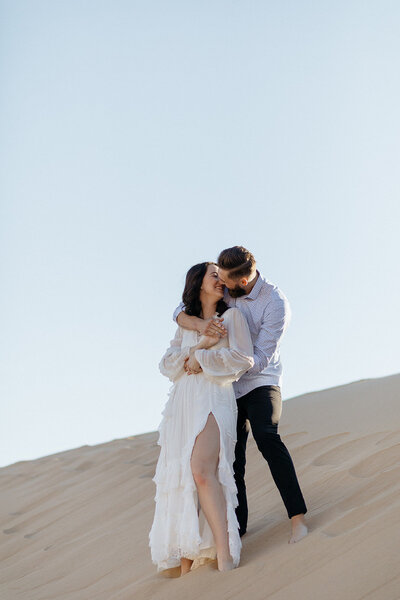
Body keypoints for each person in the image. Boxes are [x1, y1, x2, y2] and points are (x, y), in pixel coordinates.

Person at [173, 246, 308, 544]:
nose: (221, 285)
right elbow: (179, 310)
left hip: (261, 381)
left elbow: (258, 359)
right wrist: (201, 327)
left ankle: (298, 518)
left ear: (241, 283)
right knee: (232, 460)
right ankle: (240, 529)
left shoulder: (275, 303)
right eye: (217, 279)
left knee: (267, 437)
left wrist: (208, 360)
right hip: (226, 387)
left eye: (225, 282)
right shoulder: (226, 288)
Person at [149, 261, 254, 575]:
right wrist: (197, 347)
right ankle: (187, 556)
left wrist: (201, 356)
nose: (220, 280)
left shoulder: (231, 317)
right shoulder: (185, 325)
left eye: (222, 276)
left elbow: (241, 358)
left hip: (212, 396)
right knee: (184, 474)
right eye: (214, 275)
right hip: (182, 402)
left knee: (202, 470)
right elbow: (167, 365)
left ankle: (224, 553)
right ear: (198, 283)